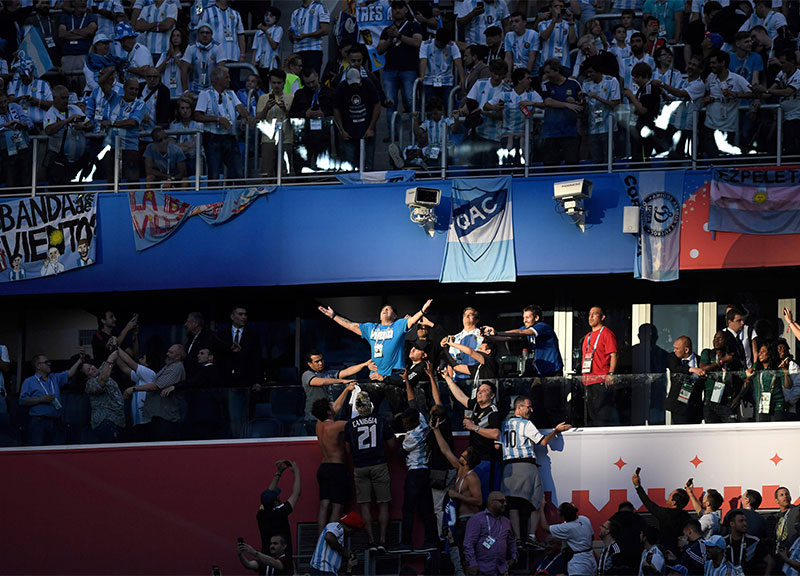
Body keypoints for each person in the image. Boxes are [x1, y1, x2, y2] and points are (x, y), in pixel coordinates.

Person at [500, 395, 572, 548]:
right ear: (519, 407)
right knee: (537, 502)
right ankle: (531, 537)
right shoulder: (526, 424)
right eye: (528, 406)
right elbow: (543, 441)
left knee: (513, 505)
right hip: (526, 466)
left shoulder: (504, 424)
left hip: (508, 468)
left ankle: (518, 539)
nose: (531, 410)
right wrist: (556, 430)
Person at [388, 372, 439, 553]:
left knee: (408, 509)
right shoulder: (423, 423)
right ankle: (431, 540)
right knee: (426, 509)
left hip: (415, 473)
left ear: (413, 423)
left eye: (407, 424)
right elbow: (413, 402)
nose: (405, 426)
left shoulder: (412, 437)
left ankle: (406, 543)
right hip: (425, 472)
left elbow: (400, 453)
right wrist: (407, 382)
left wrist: (399, 441)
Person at [318, 300, 433, 380]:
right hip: (375, 374)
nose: (385, 310)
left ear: (394, 316)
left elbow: (412, 321)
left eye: (389, 309)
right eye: (383, 309)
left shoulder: (398, 325)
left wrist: (422, 311)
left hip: (395, 375)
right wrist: (334, 316)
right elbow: (351, 325)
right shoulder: (370, 328)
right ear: (379, 316)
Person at [344, 391, 394, 551]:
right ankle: (384, 540)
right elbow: (392, 445)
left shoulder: (349, 425)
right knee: (383, 505)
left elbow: (347, 450)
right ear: (370, 405)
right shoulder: (381, 421)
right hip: (379, 464)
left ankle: (371, 541)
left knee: (365, 506)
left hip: (360, 466)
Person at [442, 376, 502, 502]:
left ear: (492, 396)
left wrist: (473, 427)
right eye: (479, 390)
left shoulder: (493, 411)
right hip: (474, 460)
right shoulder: (475, 406)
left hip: (488, 460)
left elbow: (496, 434)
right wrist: (447, 378)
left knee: (486, 497)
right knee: (472, 493)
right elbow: (461, 397)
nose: (480, 392)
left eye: (485, 390)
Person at [430, 414, 482, 554]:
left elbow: (478, 500)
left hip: (470, 521)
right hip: (458, 521)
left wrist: (457, 496)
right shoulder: (459, 471)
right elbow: (445, 450)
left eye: (462, 455)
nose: (459, 456)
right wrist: (436, 430)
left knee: (468, 554)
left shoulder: (472, 477)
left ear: (466, 460)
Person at [195, 65, 254, 183]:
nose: (230, 80)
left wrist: (247, 115)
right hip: (213, 139)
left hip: (230, 138)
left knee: (238, 172)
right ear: (218, 80)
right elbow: (197, 116)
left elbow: (240, 108)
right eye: (227, 77)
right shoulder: (205, 94)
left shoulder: (231, 94)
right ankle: (213, 200)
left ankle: (241, 198)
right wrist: (217, 119)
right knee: (214, 174)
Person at [312, 383, 356, 535]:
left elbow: (333, 410)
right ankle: (330, 537)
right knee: (337, 506)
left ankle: (320, 539)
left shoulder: (319, 425)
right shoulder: (339, 425)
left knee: (324, 505)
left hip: (323, 468)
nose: (333, 406)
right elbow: (355, 424)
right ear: (328, 411)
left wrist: (346, 390)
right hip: (337, 468)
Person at [118, 344, 186, 441]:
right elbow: (124, 367)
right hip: (155, 417)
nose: (167, 354)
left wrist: (132, 389)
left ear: (178, 357)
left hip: (165, 418)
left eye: (171, 352)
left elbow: (156, 386)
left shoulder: (174, 368)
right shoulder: (167, 367)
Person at [377, 0, 423, 136]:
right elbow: (379, 49)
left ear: (405, 10)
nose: (397, 10)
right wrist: (390, 39)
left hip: (409, 69)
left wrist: (399, 36)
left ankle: (416, 132)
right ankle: (393, 133)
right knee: (390, 103)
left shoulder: (414, 26)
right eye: (394, 8)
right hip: (390, 70)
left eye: (400, 8)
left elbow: (417, 43)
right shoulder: (387, 30)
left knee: (411, 101)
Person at [20, 353, 85, 445]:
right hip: (38, 422)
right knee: (38, 451)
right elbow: (22, 401)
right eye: (46, 362)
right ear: (38, 365)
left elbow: (70, 373)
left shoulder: (54, 378)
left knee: (56, 450)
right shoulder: (29, 381)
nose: (49, 364)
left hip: (56, 421)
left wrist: (80, 360)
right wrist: (41, 399)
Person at [702, 50, 753, 158]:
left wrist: (736, 95)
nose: (711, 66)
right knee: (712, 154)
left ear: (723, 63)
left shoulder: (737, 79)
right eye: (711, 63)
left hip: (729, 123)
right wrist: (707, 98)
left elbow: (752, 93)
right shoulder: (710, 77)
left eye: (714, 63)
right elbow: (704, 91)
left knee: (727, 154)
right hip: (710, 122)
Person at [632, 467, 690, 557]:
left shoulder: (666, 514)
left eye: (670, 495)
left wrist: (638, 486)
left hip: (667, 554)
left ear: (674, 502)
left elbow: (649, 504)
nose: (668, 496)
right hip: (682, 555)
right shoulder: (687, 517)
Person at [301, 350, 369, 422]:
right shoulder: (307, 374)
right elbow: (320, 382)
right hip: (313, 418)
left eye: (321, 360)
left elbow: (347, 371)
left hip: (330, 416)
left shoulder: (329, 373)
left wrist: (364, 364)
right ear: (310, 364)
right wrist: (342, 381)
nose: (320, 363)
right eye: (317, 362)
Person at [333, 67, 381, 171]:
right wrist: (342, 130)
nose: (355, 86)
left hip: (366, 127)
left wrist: (371, 128)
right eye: (352, 84)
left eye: (357, 83)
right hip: (349, 129)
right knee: (349, 164)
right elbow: (336, 109)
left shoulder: (368, 84)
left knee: (368, 164)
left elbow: (377, 105)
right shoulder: (341, 88)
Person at [288, 67, 335, 172]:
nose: (311, 85)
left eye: (313, 82)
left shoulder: (330, 92)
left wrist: (324, 114)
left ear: (317, 76)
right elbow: (291, 115)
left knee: (324, 169)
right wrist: (305, 114)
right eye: (308, 83)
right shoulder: (300, 94)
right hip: (304, 136)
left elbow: (337, 112)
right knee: (301, 168)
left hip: (324, 136)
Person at [101, 76, 146, 184]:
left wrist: (111, 123)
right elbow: (102, 83)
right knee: (111, 179)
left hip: (130, 145)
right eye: (131, 88)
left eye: (136, 89)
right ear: (124, 88)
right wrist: (112, 67)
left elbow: (132, 122)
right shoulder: (114, 98)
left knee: (132, 178)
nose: (134, 91)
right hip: (110, 145)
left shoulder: (140, 103)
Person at [43, 84, 90, 187]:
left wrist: (82, 127)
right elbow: (49, 130)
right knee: (61, 191)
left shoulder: (74, 109)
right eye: (63, 98)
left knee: (78, 191)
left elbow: (89, 124)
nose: (66, 101)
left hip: (78, 161)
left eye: (67, 98)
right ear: (54, 98)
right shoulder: (51, 114)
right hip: (60, 162)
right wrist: (67, 121)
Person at [540, 58, 583, 167]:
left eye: (548, 72)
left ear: (557, 71)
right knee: (550, 167)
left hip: (570, 132)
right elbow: (548, 102)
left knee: (572, 165)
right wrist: (567, 104)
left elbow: (581, 104)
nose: (546, 75)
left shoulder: (573, 84)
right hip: (551, 133)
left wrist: (576, 101)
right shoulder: (546, 85)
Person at [463, 491, 517, 576]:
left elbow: (512, 541)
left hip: (500, 570)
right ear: (492, 502)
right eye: (502, 501)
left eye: (505, 501)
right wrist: (472, 564)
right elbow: (468, 543)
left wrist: (514, 557)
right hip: (481, 569)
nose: (505, 504)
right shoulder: (477, 519)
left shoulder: (506, 522)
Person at [580, 306, 618, 427]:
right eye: (589, 314)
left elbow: (614, 355)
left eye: (594, 314)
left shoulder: (607, 333)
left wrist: (611, 374)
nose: (590, 317)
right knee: (591, 416)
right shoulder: (588, 336)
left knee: (601, 416)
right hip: (588, 381)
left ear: (602, 317)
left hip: (601, 380)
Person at [698, 330, 745, 424]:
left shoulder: (732, 358)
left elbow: (746, 379)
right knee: (711, 433)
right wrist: (722, 361)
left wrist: (738, 398)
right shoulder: (708, 353)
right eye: (715, 338)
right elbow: (703, 369)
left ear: (726, 340)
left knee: (729, 434)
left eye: (720, 338)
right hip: (710, 400)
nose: (716, 340)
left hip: (727, 401)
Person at [581, 57, 621, 166]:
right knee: (596, 161)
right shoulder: (586, 83)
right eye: (587, 72)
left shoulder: (611, 81)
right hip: (593, 128)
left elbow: (615, 104)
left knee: (608, 160)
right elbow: (584, 104)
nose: (589, 75)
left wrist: (598, 98)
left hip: (608, 127)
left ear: (598, 70)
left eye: (591, 72)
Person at [257, 460, 301, 559]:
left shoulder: (261, 514)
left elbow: (268, 495)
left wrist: (279, 473)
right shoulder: (280, 512)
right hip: (282, 558)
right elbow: (296, 493)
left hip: (266, 557)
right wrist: (296, 471)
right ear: (276, 502)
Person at [540, 502, 597, 576]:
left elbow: (545, 527)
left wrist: (541, 509)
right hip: (591, 558)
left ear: (562, 515)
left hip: (578, 564)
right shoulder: (585, 519)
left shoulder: (566, 528)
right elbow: (592, 537)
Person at [760, 51, 800, 157]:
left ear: (791, 62)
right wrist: (757, 92)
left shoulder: (798, 75)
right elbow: (770, 91)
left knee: (792, 141)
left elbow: (787, 92)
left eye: (783, 63)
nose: (781, 65)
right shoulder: (782, 73)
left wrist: (766, 91)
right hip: (782, 114)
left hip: (796, 115)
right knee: (771, 138)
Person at [82, 350, 125, 443]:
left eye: (91, 366)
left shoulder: (101, 371)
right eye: (88, 370)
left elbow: (113, 359)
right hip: (106, 422)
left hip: (117, 421)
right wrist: (110, 359)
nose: (92, 368)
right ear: (87, 377)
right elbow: (103, 379)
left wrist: (113, 346)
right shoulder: (90, 384)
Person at [665, 336, 705, 425]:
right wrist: (692, 369)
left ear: (686, 350)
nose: (674, 350)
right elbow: (675, 368)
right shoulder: (673, 358)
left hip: (694, 406)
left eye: (677, 348)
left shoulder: (700, 360)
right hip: (678, 406)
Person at [310, 512, 364, 576]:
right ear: (351, 529)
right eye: (354, 532)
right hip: (323, 568)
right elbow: (329, 537)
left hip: (327, 570)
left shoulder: (339, 535)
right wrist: (344, 550)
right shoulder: (337, 526)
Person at [745, 342, 788, 422]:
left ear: (770, 353)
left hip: (776, 406)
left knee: (775, 432)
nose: (760, 354)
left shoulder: (778, 368)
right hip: (761, 405)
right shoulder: (756, 369)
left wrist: (786, 372)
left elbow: (788, 385)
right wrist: (748, 377)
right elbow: (746, 384)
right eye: (759, 352)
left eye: (763, 351)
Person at [180, 24, 228, 94]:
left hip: (213, 89)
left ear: (211, 35)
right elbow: (184, 69)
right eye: (202, 33)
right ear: (197, 35)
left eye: (207, 33)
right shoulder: (191, 47)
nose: (204, 35)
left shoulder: (218, 47)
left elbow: (221, 70)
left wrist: (219, 90)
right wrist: (186, 91)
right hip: (194, 89)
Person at [0, 90, 33, 190]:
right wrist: (4, 127)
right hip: (5, 152)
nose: (3, 105)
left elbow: (30, 123)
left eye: (5, 101)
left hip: (22, 147)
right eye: (0, 103)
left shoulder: (15, 107)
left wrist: (22, 124)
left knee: (26, 176)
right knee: (10, 179)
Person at [419, 28, 463, 102]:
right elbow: (423, 61)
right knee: (430, 105)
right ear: (436, 38)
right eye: (440, 43)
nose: (442, 45)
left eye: (444, 43)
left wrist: (462, 78)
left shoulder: (452, 45)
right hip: (429, 80)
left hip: (447, 80)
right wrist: (422, 76)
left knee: (448, 105)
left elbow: (458, 62)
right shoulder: (426, 44)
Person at [723, 509, 772, 574]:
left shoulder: (754, 542)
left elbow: (770, 561)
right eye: (741, 521)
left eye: (745, 521)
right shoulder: (723, 542)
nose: (745, 524)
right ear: (732, 524)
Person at [58, 0, 99, 76]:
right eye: (81, 0)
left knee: (84, 81)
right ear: (73, 3)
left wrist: (71, 32)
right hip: (68, 56)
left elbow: (90, 31)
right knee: (68, 83)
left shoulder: (91, 17)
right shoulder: (66, 17)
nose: (83, 3)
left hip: (84, 55)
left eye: (85, 1)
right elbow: (62, 34)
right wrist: (83, 35)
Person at [289, 0, 330, 75]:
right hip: (297, 51)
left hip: (313, 50)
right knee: (297, 80)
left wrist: (305, 35)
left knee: (311, 79)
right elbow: (291, 36)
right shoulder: (295, 12)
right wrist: (292, 36)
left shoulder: (319, 7)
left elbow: (325, 30)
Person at [198, 0, 245, 65]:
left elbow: (241, 34)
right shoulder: (207, 12)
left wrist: (242, 55)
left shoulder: (236, 14)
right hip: (213, 57)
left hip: (233, 57)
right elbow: (200, 33)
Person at [537, 0, 577, 70]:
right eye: (555, 6)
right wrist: (554, 20)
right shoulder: (543, 24)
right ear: (550, 9)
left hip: (564, 64)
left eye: (561, 7)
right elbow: (545, 36)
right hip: (546, 64)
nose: (558, 9)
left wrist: (571, 21)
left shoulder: (570, 25)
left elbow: (572, 41)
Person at [504, 11, 539, 76]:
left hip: (531, 73)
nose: (513, 24)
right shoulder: (508, 36)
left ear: (524, 22)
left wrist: (527, 76)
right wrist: (508, 75)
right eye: (512, 22)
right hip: (515, 72)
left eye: (516, 21)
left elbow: (532, 57)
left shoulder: (533, 35)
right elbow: (508, 57)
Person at [155, 28, 186, 99]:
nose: (175, 38)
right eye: (173, 36)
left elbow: (185, 69)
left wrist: (174, 56)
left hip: (180, 93)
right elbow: (157, 71)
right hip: (166, 94)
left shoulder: (185, 55)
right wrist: (167, 59)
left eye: (178, 36)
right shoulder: (164, 55)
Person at [253, 6, 283, 74]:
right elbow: (255, 48)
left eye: (271, 16)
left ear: (276, 19)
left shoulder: (278, 29)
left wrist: (266, 32)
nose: (268, 17)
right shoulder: (258, 32)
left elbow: (274, 46)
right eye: (266, 15)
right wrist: (253, 61)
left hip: (271, 64)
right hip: (259, 63)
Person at [775, 487, 800, 556]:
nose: (785, 496)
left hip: (794, 553)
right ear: (776, 500)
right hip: (779, 554)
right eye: (781, 495)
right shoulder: (775, 517)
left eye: (787, 494)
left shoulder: (797, 511)